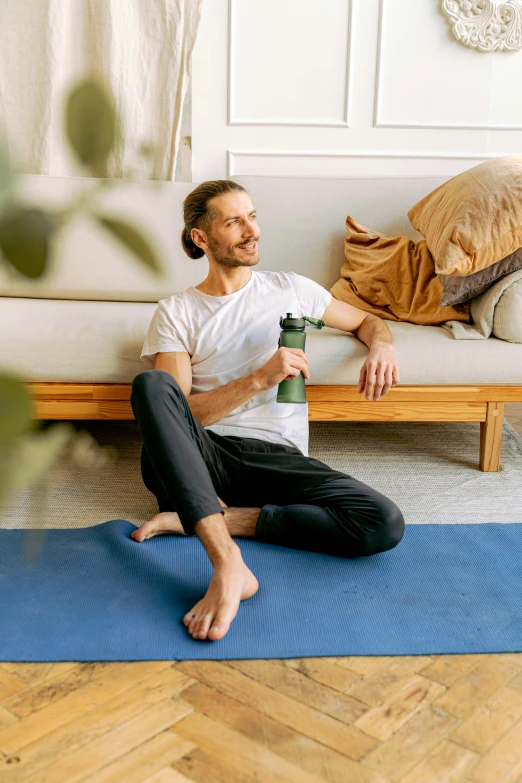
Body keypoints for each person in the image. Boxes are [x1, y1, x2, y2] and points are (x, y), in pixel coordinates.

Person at [131, 179, 404, 643]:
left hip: (277, 455)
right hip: (203, 458)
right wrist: (258, 378)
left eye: (252, 217)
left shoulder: (290, 289)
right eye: (234, 221)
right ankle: (228, 563)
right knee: (152, 385)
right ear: (201, 238)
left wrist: (382, 348)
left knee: (383, 522)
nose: (250, 230)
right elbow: (179, 415)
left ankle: (209, 519)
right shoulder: (177, 311)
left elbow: (366, 321)